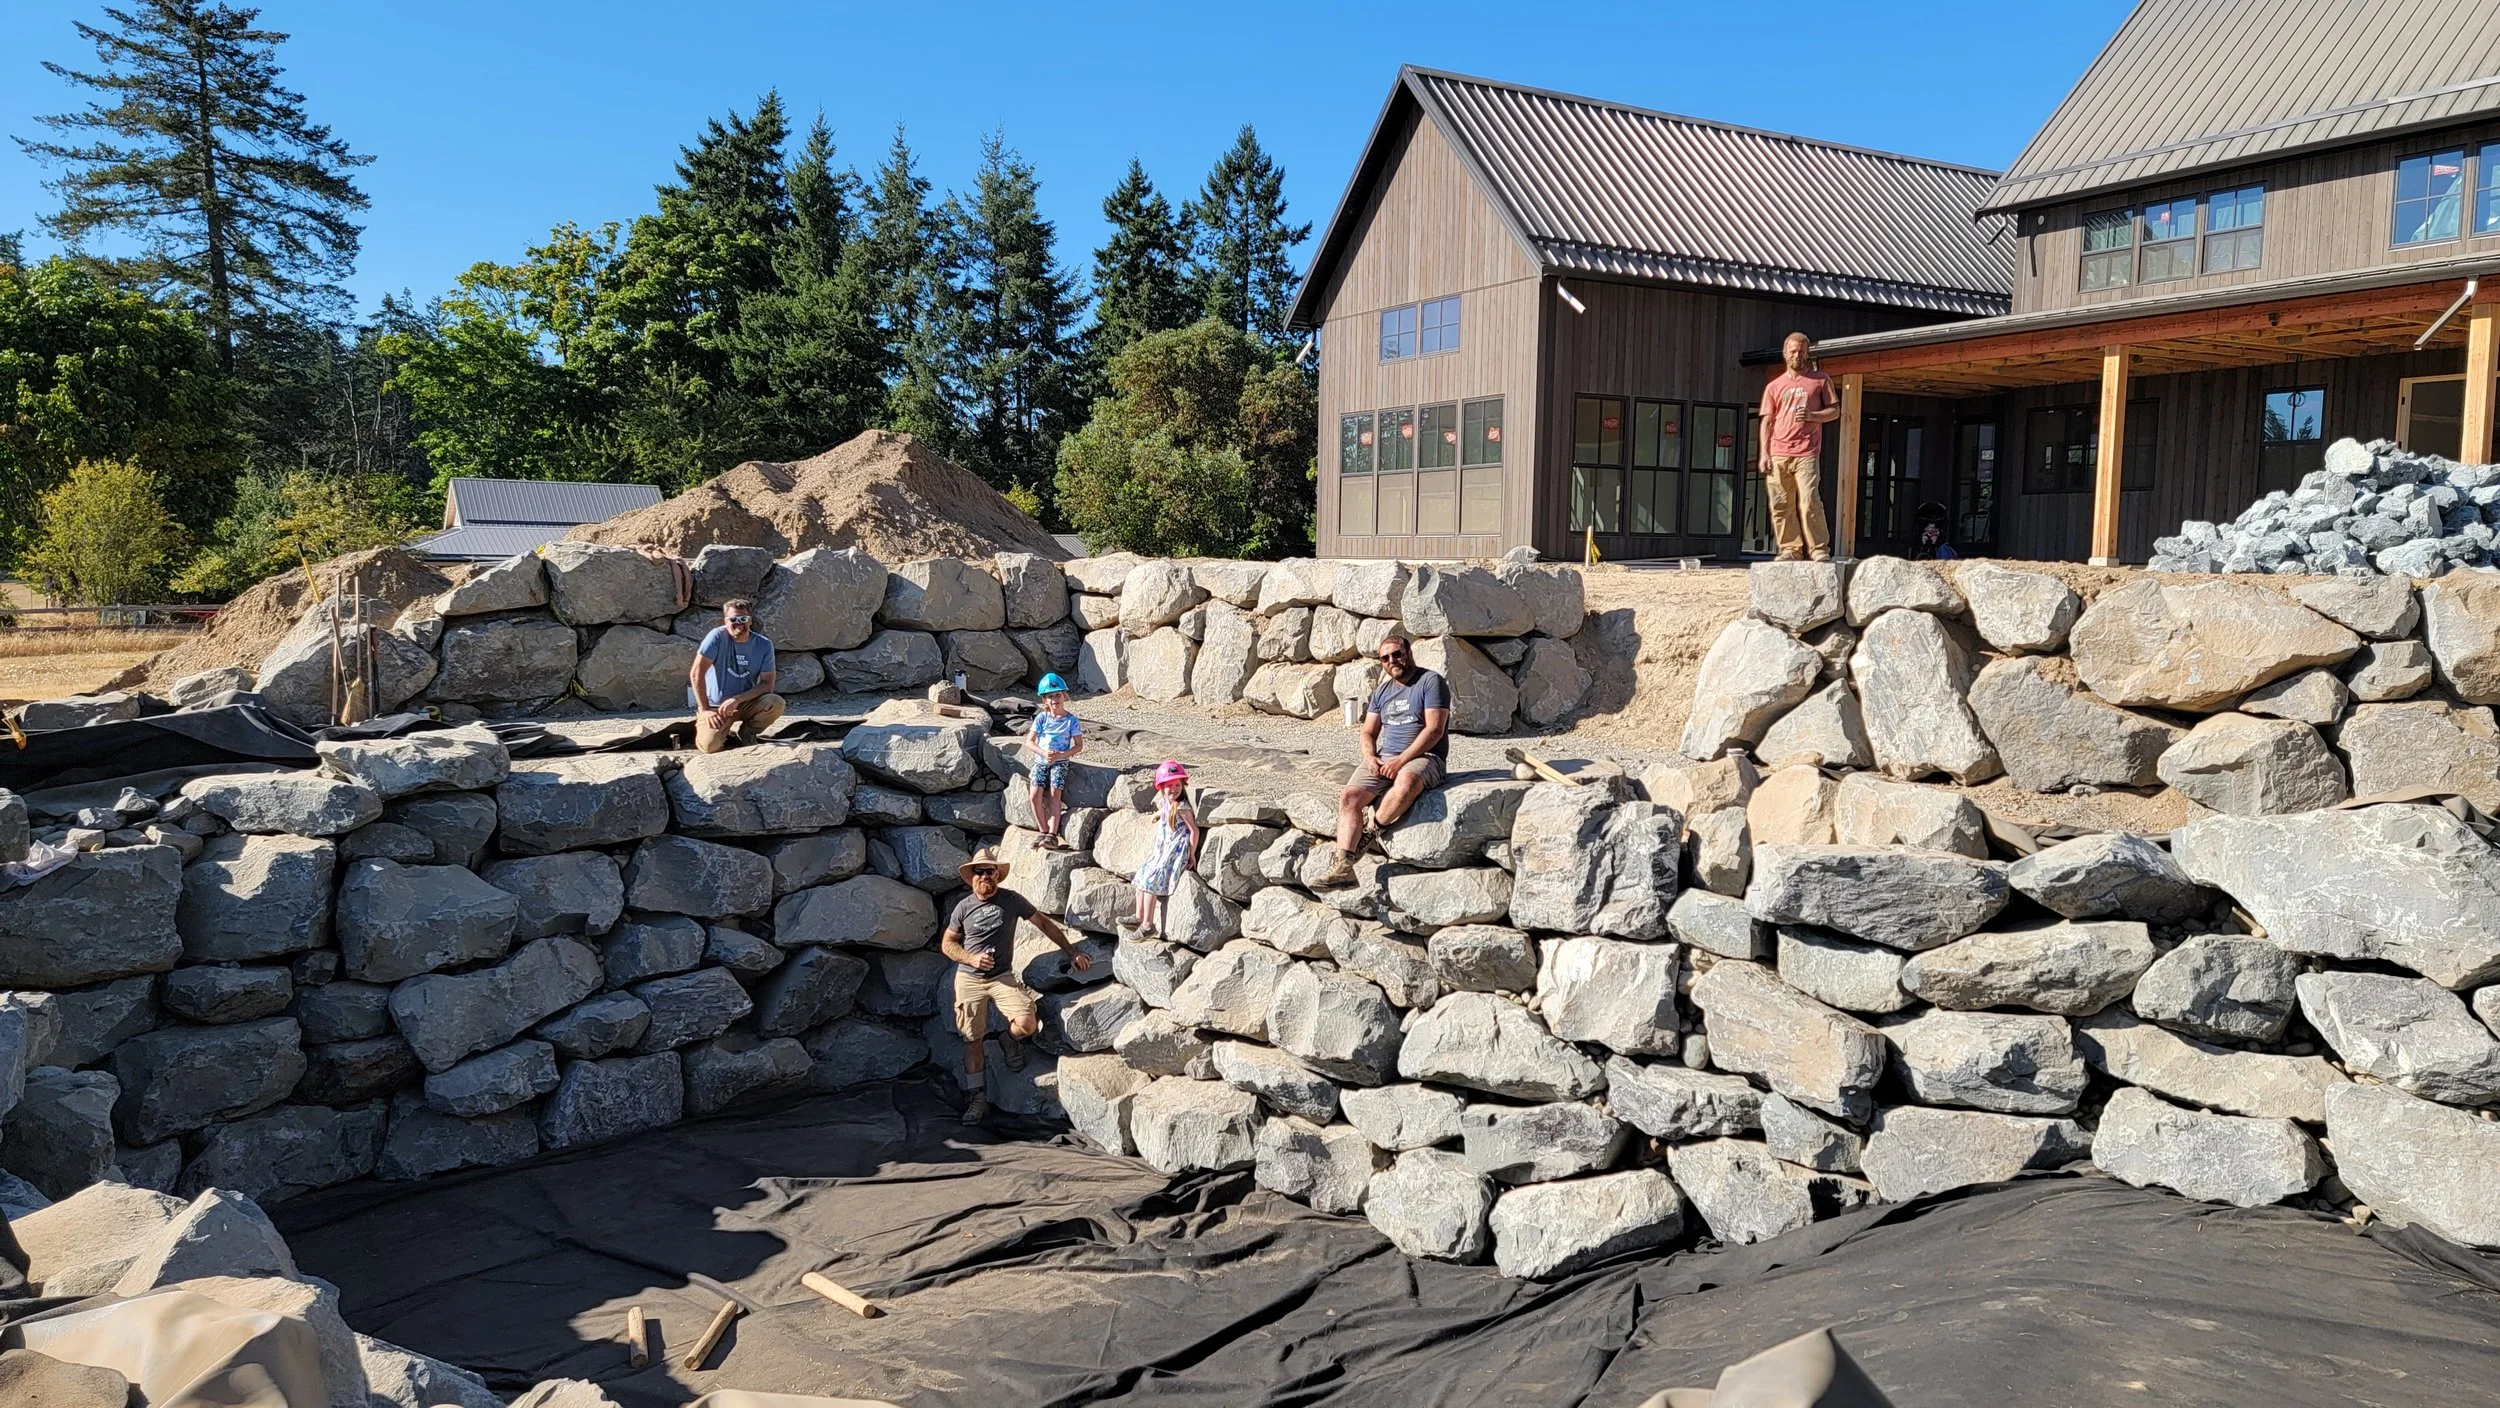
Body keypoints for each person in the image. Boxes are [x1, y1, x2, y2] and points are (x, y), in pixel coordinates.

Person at [941, 846, 1090, 1124]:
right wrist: (971, 958)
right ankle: (977, 1099)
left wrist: (1072, 952)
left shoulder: (1011, 901)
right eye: (979, 872)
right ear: (972, 877)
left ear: (997, 874)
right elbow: (948, 944)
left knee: (1027, 1023)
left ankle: (1009, 1041)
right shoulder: (963, 907)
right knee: (971, 1039)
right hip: (969, 978)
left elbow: (1044, 924)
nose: (985, 876)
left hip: (1001, 976)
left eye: (989, 871)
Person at [1315, 635, 1447, 887]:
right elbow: (1367, 731)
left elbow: (1434, 730)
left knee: (1407, 780)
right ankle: (1343, 867)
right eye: (1384, 658)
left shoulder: (1430, 682)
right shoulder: (1382, 691)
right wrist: (1370, 756)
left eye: (1396, 654)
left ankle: (1372, 830)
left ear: (1408, 653)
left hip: (1425, 757)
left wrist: (1400, 761)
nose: (1391, 661)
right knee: (1350, 797)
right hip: (1385, 757)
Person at [1757, 331, 1843, 563]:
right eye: (1793, 351)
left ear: (1807, 353)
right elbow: (1767, 421)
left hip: (1806, 452)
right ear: (1785, 354)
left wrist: (1813, 415)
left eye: (1801, 351)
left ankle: (1818, 549)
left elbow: (1835, 411)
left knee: (1809, 500)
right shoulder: (1774, 386)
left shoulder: (1820, 380)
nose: (1797, 355)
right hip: (1778, 453)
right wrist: (1764, 453)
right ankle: (1789, 549)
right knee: (1780, 504)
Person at [687, 598, 784, 753]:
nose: (739, 623)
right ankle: (718, 731)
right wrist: (704, 709)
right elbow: (696, 673)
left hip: (744, 703)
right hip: (715, 707)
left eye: (743, 619)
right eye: (733, 619)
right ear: (725, 621)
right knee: (710, 746)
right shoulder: (716, 637)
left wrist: (737, 699)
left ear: (750, 621)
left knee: (775, 703)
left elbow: (767, 684)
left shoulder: (764, 645)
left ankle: (748, 733)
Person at [1129, 760, 1200, 939]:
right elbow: (1166, 810)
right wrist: (1158, 814)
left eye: (1177, 785)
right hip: (1162, 849)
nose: (1174, 789)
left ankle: (1148, 925)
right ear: (1161, 787)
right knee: (1142, 874)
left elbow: (1194, 830)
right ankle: (1138, 916)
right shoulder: (1167, 802)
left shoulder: (1182, 807)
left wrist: (1192, 853)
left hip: (1174, 852)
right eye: (1169, 786)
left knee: (1150, 882)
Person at [1025, 673, 1083, 849]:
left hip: (1060, 762)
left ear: (1064, 695)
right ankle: (1043, 830)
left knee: (1054, 794)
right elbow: (1029, 741)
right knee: (1034, 794)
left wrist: (1062, 755)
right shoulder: (1042, 718)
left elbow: (1079, 745)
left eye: (1057, 695)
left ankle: (1052, 834)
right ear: (1045, 700)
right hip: (1041, 761)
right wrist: (1043, 753)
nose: (1054, 699)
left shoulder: (1071, 721)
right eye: (1050, 696)